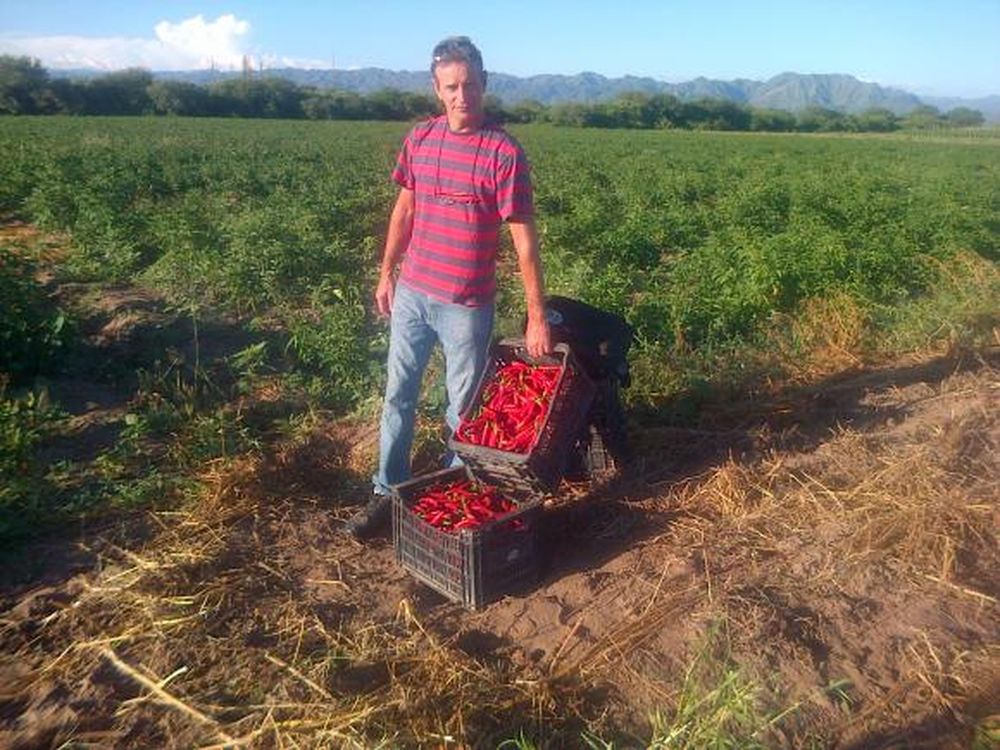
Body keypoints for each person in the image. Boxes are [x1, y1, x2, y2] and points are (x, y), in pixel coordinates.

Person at [345, 36, 552, 539]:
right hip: (414, 293)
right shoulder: (420, 139)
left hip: (466, 306)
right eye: (453, 87)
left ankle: (453, 502)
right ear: (438, 90)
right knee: (398, 395)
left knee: (462, 410)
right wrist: (386, 271)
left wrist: (536, 315)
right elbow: (404, 211)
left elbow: (524, 242)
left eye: (472, 85)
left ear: (485, 85)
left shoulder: (503, 153)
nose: (464, 96)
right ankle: (385, 492)